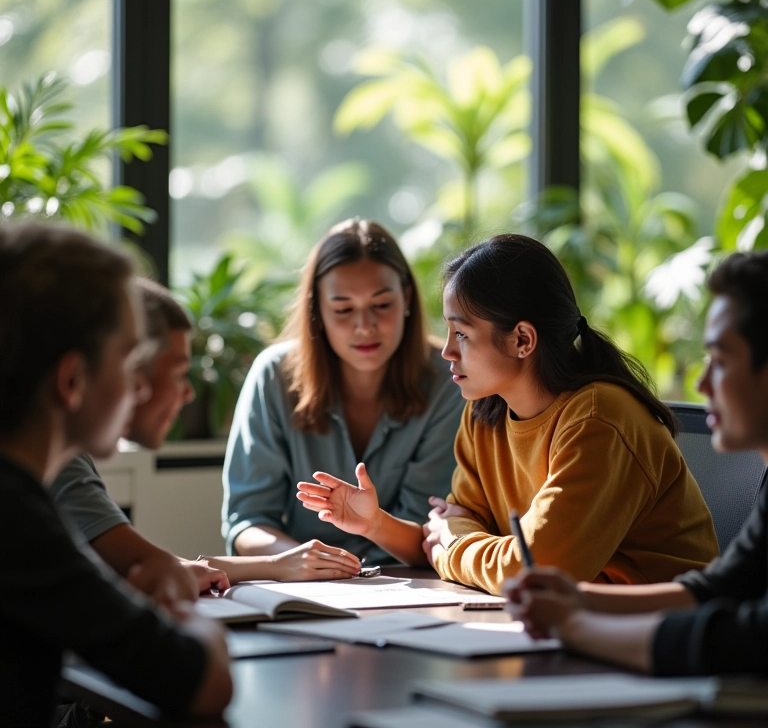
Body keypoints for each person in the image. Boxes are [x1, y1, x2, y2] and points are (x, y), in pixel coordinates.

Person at [299, 234, 718, 592]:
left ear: (521, 339)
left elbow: (535, 570)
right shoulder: (486, 413)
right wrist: (375, 524)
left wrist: (457, 543)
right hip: (566, 626)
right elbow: (447, 537)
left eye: (461, 333)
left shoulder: (599, 418)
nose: (446, 350)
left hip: (658, 640)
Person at [0, 223, 232, 726]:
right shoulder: (17, 518)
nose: (140, 388)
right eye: (129, 360)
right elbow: (205, 682)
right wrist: (182, 615)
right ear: (72, 380)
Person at [506, 250, 768, 676]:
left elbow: (746, 639)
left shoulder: (598, 414)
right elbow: (722, 588)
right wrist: (577, 598)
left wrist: (575, 626)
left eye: (721, 362)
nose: (701, 384)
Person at [54, 277, 363, 583]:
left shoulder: (58, 453)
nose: (188, 394)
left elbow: (144, 564)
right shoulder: (53, 461)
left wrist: (275, 565)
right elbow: (149, 567)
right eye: (177, 373)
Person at [224, 218, 464, 566]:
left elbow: (433, 535)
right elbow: (247, 522)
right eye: (343, 309)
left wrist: (371, 531)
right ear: (317, 309)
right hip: (306, 584)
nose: (364, 327)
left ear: (407, 297)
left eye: (382, 305)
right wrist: (293, 560)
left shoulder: (449, 378)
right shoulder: (273, 376)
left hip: (412, 585)